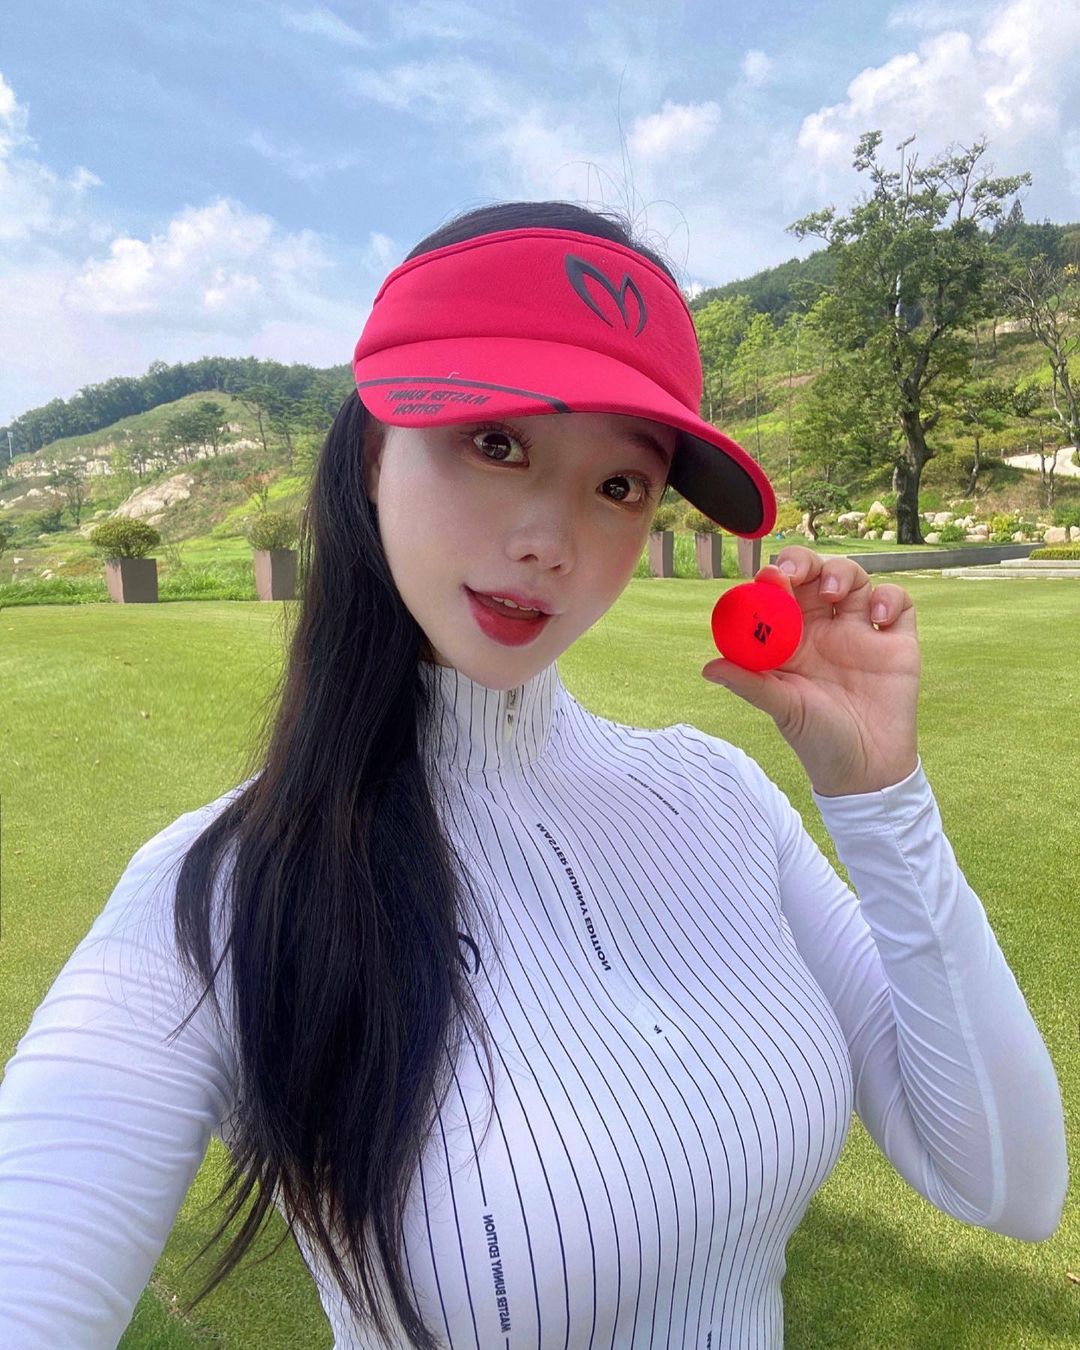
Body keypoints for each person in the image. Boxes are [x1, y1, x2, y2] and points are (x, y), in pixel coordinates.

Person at [0, 200, 1067, 1350]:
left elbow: (1009, 1184)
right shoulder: (217, 894)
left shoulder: (716, 798)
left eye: (620, 486)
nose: (551, 542)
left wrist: (879, 796)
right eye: (499, 444)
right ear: (375, 454)